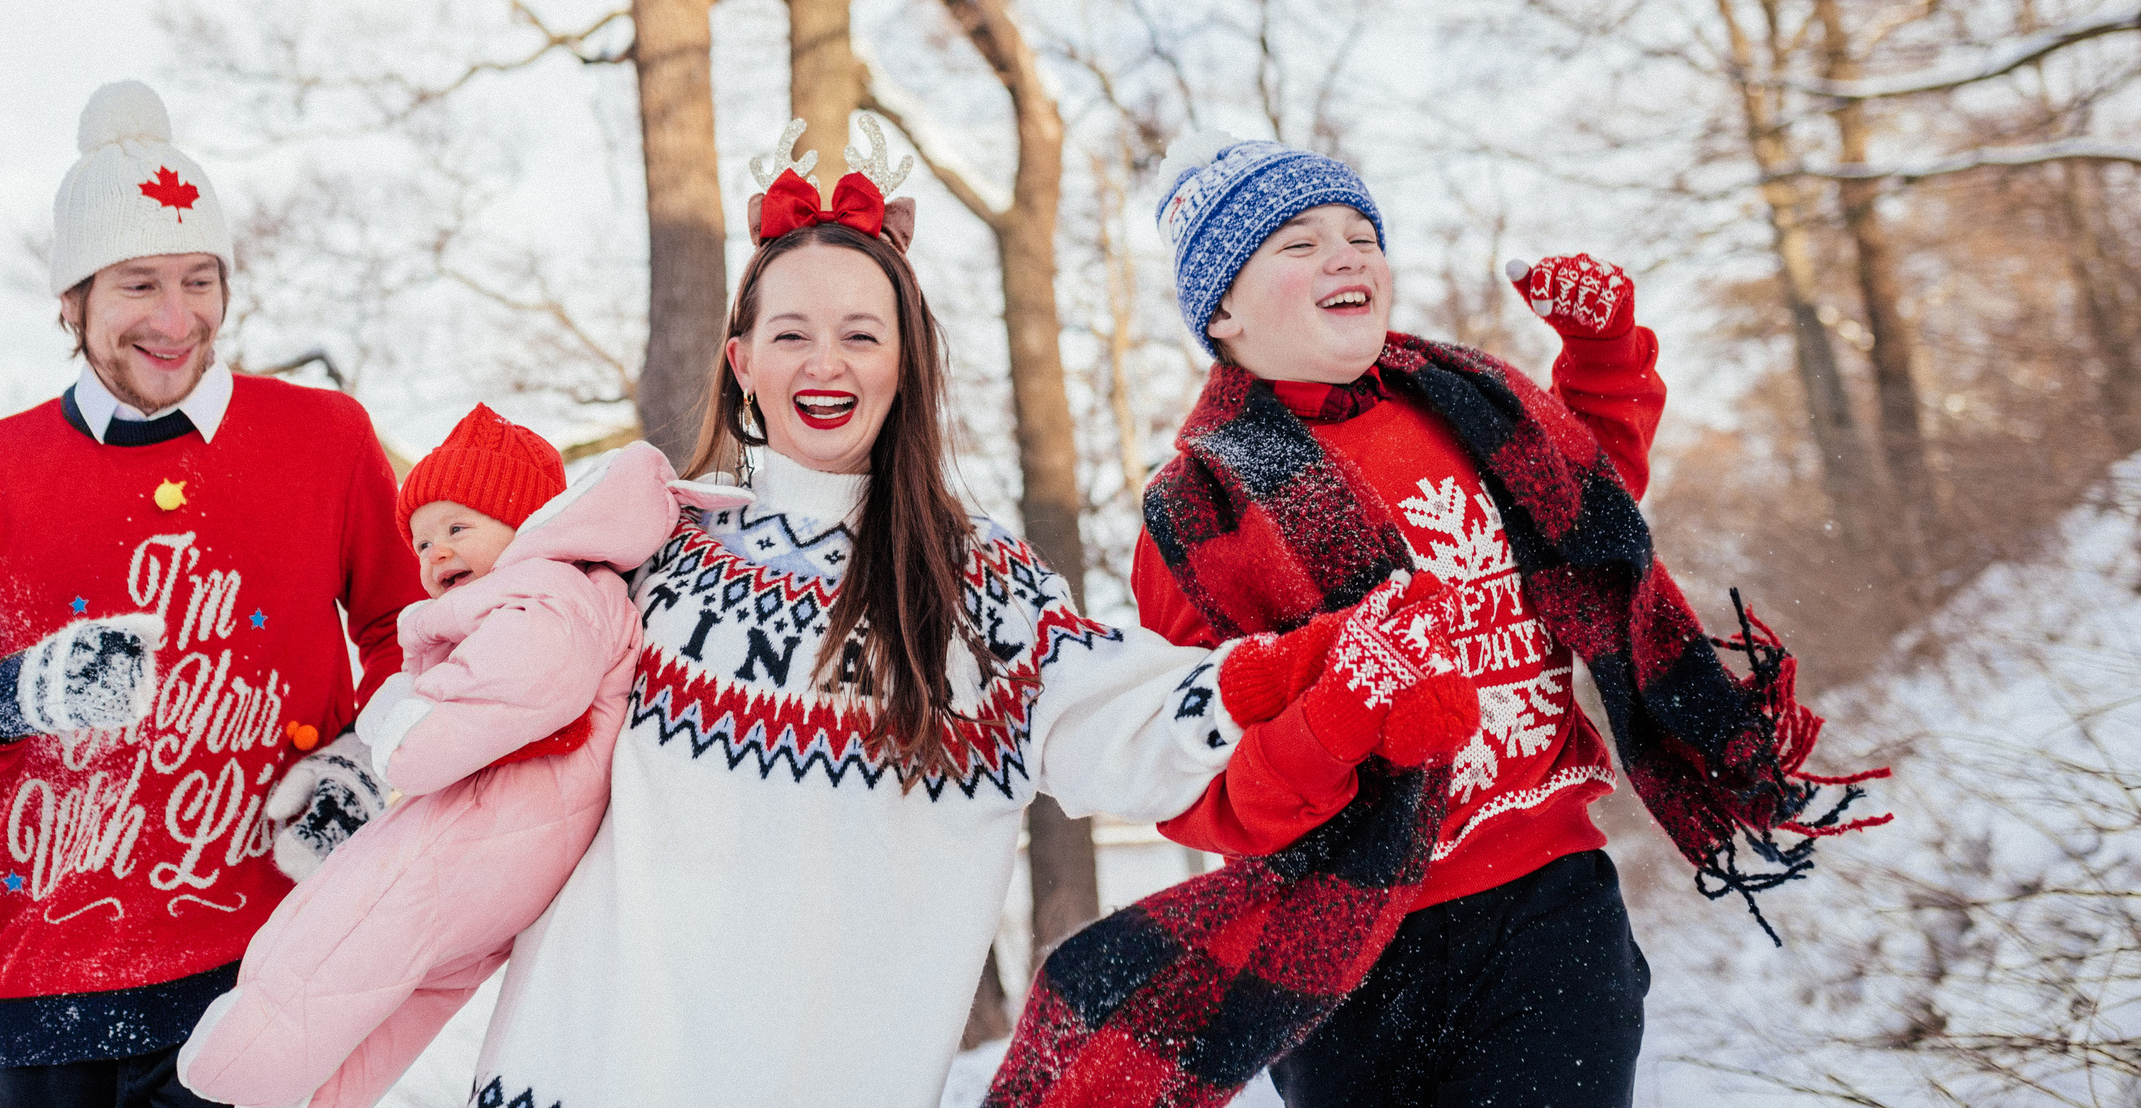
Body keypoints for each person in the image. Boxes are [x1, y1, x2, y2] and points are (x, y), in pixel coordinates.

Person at [465, 116, 1389, 1108]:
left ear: (906, 360)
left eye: (862, 333)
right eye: (791, 334)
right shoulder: (648, 547)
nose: (827, 361)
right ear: (741, 363)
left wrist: (1327, 666)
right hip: (569, 1072)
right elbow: (476, 710)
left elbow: (1135, 723)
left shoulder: (979, 588)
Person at [984, 134, 1889, 1108]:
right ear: (1223, 310)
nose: (1345, 253)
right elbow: (1199, 776)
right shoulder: (1198, 514)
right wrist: (1335, 716)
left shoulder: (1465, 402)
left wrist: (1602, 355)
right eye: (1297, 242)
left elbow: (1585, 513)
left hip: (1552, 901)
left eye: (1360, 232)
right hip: (1348, 947)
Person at [0, 80, 424, 1107]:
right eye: (137, 284)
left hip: (271, 961)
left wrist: (368, 759)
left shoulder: (326, 439)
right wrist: (14, 692)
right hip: (51, 1001)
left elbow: (410, 632)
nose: (175, 318)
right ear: (70, 301)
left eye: (199, 279)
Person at [176, 413, 747, 1108]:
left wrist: (392, 713)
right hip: (508, 852)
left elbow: (425, 743)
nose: (435, 552)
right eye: (421, 540)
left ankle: (228, 1071)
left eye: (457, 527)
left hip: (476, 844)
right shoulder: (558, 599)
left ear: (521, 520)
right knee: (401, 1003)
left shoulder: (551, 599)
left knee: (338, 931)